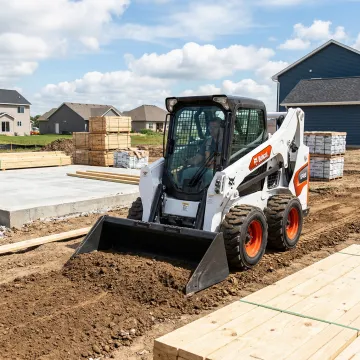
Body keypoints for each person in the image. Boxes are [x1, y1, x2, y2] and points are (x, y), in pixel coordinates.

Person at [182, 117, 223, 186]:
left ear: (222, 128)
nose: (211, 130)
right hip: (206, 169)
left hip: (221, 171)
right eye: (210, 128)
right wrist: (187, 161)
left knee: (209, 175)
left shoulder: (228, 142)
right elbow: (198, 158)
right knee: (187, 172)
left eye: (214, 127)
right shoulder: (208, 142)